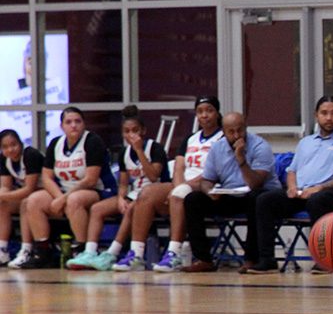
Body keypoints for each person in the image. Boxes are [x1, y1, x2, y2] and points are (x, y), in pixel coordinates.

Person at [247, 95, 333, 274]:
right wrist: (292, 187)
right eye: (324, 113)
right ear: (316, 115)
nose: (329, 117)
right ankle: (267, 260)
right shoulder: (305, 142)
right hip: (301, 193)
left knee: (317, 200)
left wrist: (319, 188)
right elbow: (291, 171)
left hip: (330, 196)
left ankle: (324, 260)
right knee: (264, 200)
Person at [126, 96, 224, 272]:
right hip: (184, 183)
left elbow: (216, 171)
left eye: (209, 110)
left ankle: (174, 254)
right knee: (147, 193)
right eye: (200, 112)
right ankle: (136, 254)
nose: (205, 115)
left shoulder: (223, 137)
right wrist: (179, 185)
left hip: (206, 185)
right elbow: (179, 167)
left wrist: (182, 188)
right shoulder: (190, 138)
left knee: (179, 194)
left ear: (217, 113)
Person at [13, 106, 118, 269]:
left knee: (74, 200)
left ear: (84, 124)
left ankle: (82, 249)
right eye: (69, 122)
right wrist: (58, 197)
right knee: (32, 200)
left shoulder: (92, 141)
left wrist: (63, 198)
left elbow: (91, 179)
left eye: (78, 121)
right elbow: (47, 177)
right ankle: (43, 251)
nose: (73, 125)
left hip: (98, 191)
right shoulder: (55, 143)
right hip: (63, 190)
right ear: (62, 126)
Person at [65, 106, 168, 271]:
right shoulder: (124, 153)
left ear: (143, 131)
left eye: (135, 130)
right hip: (134, 194)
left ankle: (113, 252)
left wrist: (139, 150)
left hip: (155, 195)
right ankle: (90, 252)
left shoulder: (154, 148)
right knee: (98, 209)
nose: (131, 135)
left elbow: (154, 176)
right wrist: (121, 198)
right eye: (127, 131)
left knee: (131, 208)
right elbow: (123, 183)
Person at [178, 111, 280, 273]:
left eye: (240, 130)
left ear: (246, 128)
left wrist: (241, 160)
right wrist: (209, 191)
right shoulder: (217, 148)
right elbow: (207, 180)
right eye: (231, 132)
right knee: (193, 199)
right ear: (223, 132)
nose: (236, 135)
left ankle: (251, 258)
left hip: (258, 196)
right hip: (230, 194)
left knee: (256, 198)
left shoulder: (260, 146)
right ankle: (203, 259)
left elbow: (255, 183)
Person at [0, 129, 44, 266]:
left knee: (26, 203)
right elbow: (6, 186)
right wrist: (2, 195)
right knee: (2, 204)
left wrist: (3, 195)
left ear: (20, 143)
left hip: (45, 192)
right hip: (27, 193)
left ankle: (26, 250)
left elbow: (29, 189)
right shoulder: (3, 159)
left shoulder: (31, 155)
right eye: (5, 147)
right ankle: (3, 250)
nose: (10, 149)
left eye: (13, 145)